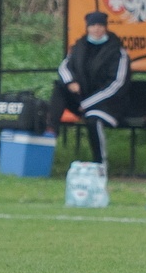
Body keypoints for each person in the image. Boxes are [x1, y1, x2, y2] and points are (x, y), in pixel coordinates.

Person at [47, 11, 130, 166]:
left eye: (100, 25)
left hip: (108, 104)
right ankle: (50, 129)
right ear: (88, 28)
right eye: (93, 25)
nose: (96, 29)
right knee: (59, 87)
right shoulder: (79, 46)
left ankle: (100, 164)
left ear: (105, 28)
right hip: (81, 99)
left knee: (93, 120)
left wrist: (88, 103)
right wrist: (70, 82)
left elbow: (116, 85)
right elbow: (64, 67)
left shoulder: (118, 52)